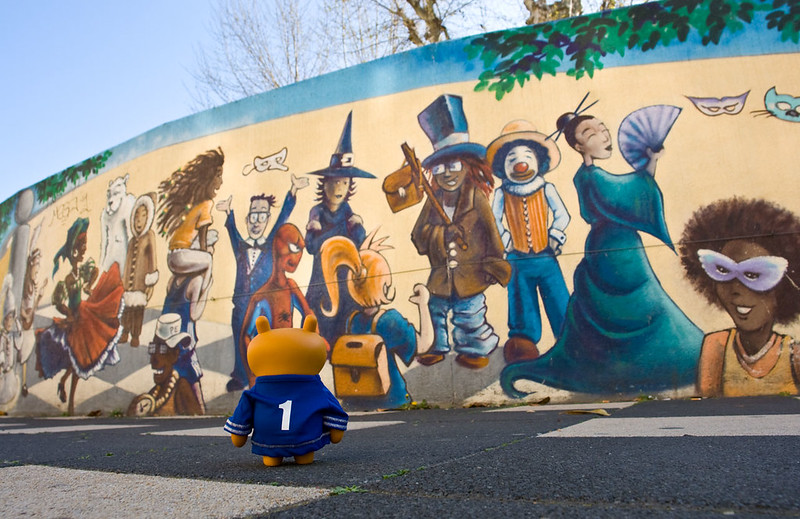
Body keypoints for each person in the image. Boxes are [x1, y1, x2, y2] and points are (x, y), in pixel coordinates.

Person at [501, 110, 702, 396]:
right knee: (627, 309)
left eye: (603, 129)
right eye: (591, 133)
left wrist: (652, 162)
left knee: (636, 307)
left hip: (619, 249)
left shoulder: (590, 177)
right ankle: (632, 365)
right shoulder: (590, 177)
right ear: (579, 146)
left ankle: (638, 363)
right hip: (611, 250)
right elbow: (626, 192)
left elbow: (632, 189)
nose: (603, 136)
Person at [411, 94, 511, 370]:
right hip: (441, 276)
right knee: (435, 311)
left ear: (468, 166)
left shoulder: (476, 197)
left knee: (470, 313)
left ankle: (474, 348)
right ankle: (435, 345)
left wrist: (494, 263)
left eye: (454, 165)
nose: (447, 174)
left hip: (471, 273)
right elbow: (418, 236)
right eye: (440, 168)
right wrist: (440, 235)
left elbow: (491, 232)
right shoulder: (433, 201)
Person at [680, 198, 800, 397]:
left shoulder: (793, 357)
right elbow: (707, 408)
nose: (735, 288)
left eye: (753, 275)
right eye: (723, 270)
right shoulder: (716, 345)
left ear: (783, 288)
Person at [487, 120, 570, 363]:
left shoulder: (546, 188)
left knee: (558, 298)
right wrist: (506, 240)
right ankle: (524, 342)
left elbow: (562, 214)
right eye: (511, 158)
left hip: (546, 256)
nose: (519, 163)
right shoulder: (502, 193)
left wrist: (555, 235)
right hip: (517, 260)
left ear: (538, 161)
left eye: (526, 156)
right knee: (521, 301)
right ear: (502, 165)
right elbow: (494, 219)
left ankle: (569, 337)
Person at [217, 173, 308, 391]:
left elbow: (282, 220)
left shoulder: (270, 245)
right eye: (253, 216)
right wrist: (229, 212)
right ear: (247, 219)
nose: (256, 221)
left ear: (267, 219)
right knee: (240, 339)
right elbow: (232, 232)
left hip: (263, 304)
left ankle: (267, 374)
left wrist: (293, 191)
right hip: (240, 303)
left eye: (261, 216)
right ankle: (240, 376)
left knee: (263, 340)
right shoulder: (241, 247)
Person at [321, 232, 433, 409]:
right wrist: (423, 305)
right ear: (383, 284)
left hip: (356, 400)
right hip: (392, 400)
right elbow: (423, 345)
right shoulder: (389, 321)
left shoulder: (352, 321)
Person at [35, 218, 124, 415]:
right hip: (76, 319)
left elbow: (94, 273)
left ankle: (66, 391)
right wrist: (68, 314)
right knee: (76, 359)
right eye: (81, 246)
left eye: (84, 245)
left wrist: (89, 287)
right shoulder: (68, 279)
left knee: (77, 359)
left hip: (84, 315)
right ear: (74, 251)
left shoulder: (82, 271)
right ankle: (70, 400)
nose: (84, 249)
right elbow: (59, 301)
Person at [304, 112, 375, 346]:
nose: (339, 188)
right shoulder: (317, 212)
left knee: (346, 332)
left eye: (344, 183)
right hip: (321, 283)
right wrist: (312, 230)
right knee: (319, 331)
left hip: (346, 285)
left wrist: (358, 226)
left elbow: (359, 244)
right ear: (324, 184)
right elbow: (311, 247)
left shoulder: (348, 213)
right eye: (334, 182)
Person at [241, 223, 315, 386]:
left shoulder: (291, 287)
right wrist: (253, 375)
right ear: (278, 247)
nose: (297, 256)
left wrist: (310, 345)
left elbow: (309, 314)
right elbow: (245, 336)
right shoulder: (261, 297)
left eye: (300, 250)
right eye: (294, 248)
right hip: (269, 367)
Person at [157, 148, 224, 314]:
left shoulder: (192, 204)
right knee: (208, 260)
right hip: (182, 256)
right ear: (211, 177)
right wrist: (205, 253)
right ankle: (203, 295)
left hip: (172, 257)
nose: (221, 182)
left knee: (207, 251)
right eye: (219, 176)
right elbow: (202, 237)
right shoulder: (206, 204)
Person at [126, 313, 203, 416]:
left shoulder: (181, 387)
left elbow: (195, 418)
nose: (154, 359)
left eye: (163, 350)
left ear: (175, 354)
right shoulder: (157, 390)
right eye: (153, 348)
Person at [121, 193, 159, 347]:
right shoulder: (131, 241)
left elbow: (153, 259)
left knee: (138, 311)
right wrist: (123, 283)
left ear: (148, 218)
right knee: (127, 310)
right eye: (136, 216)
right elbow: (127, 264)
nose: (138, 220)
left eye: (143, 216)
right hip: (129, 286)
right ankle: (125, 332)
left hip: (141, 285)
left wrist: (150, 282)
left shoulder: (149, 236)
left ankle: (135, 335)